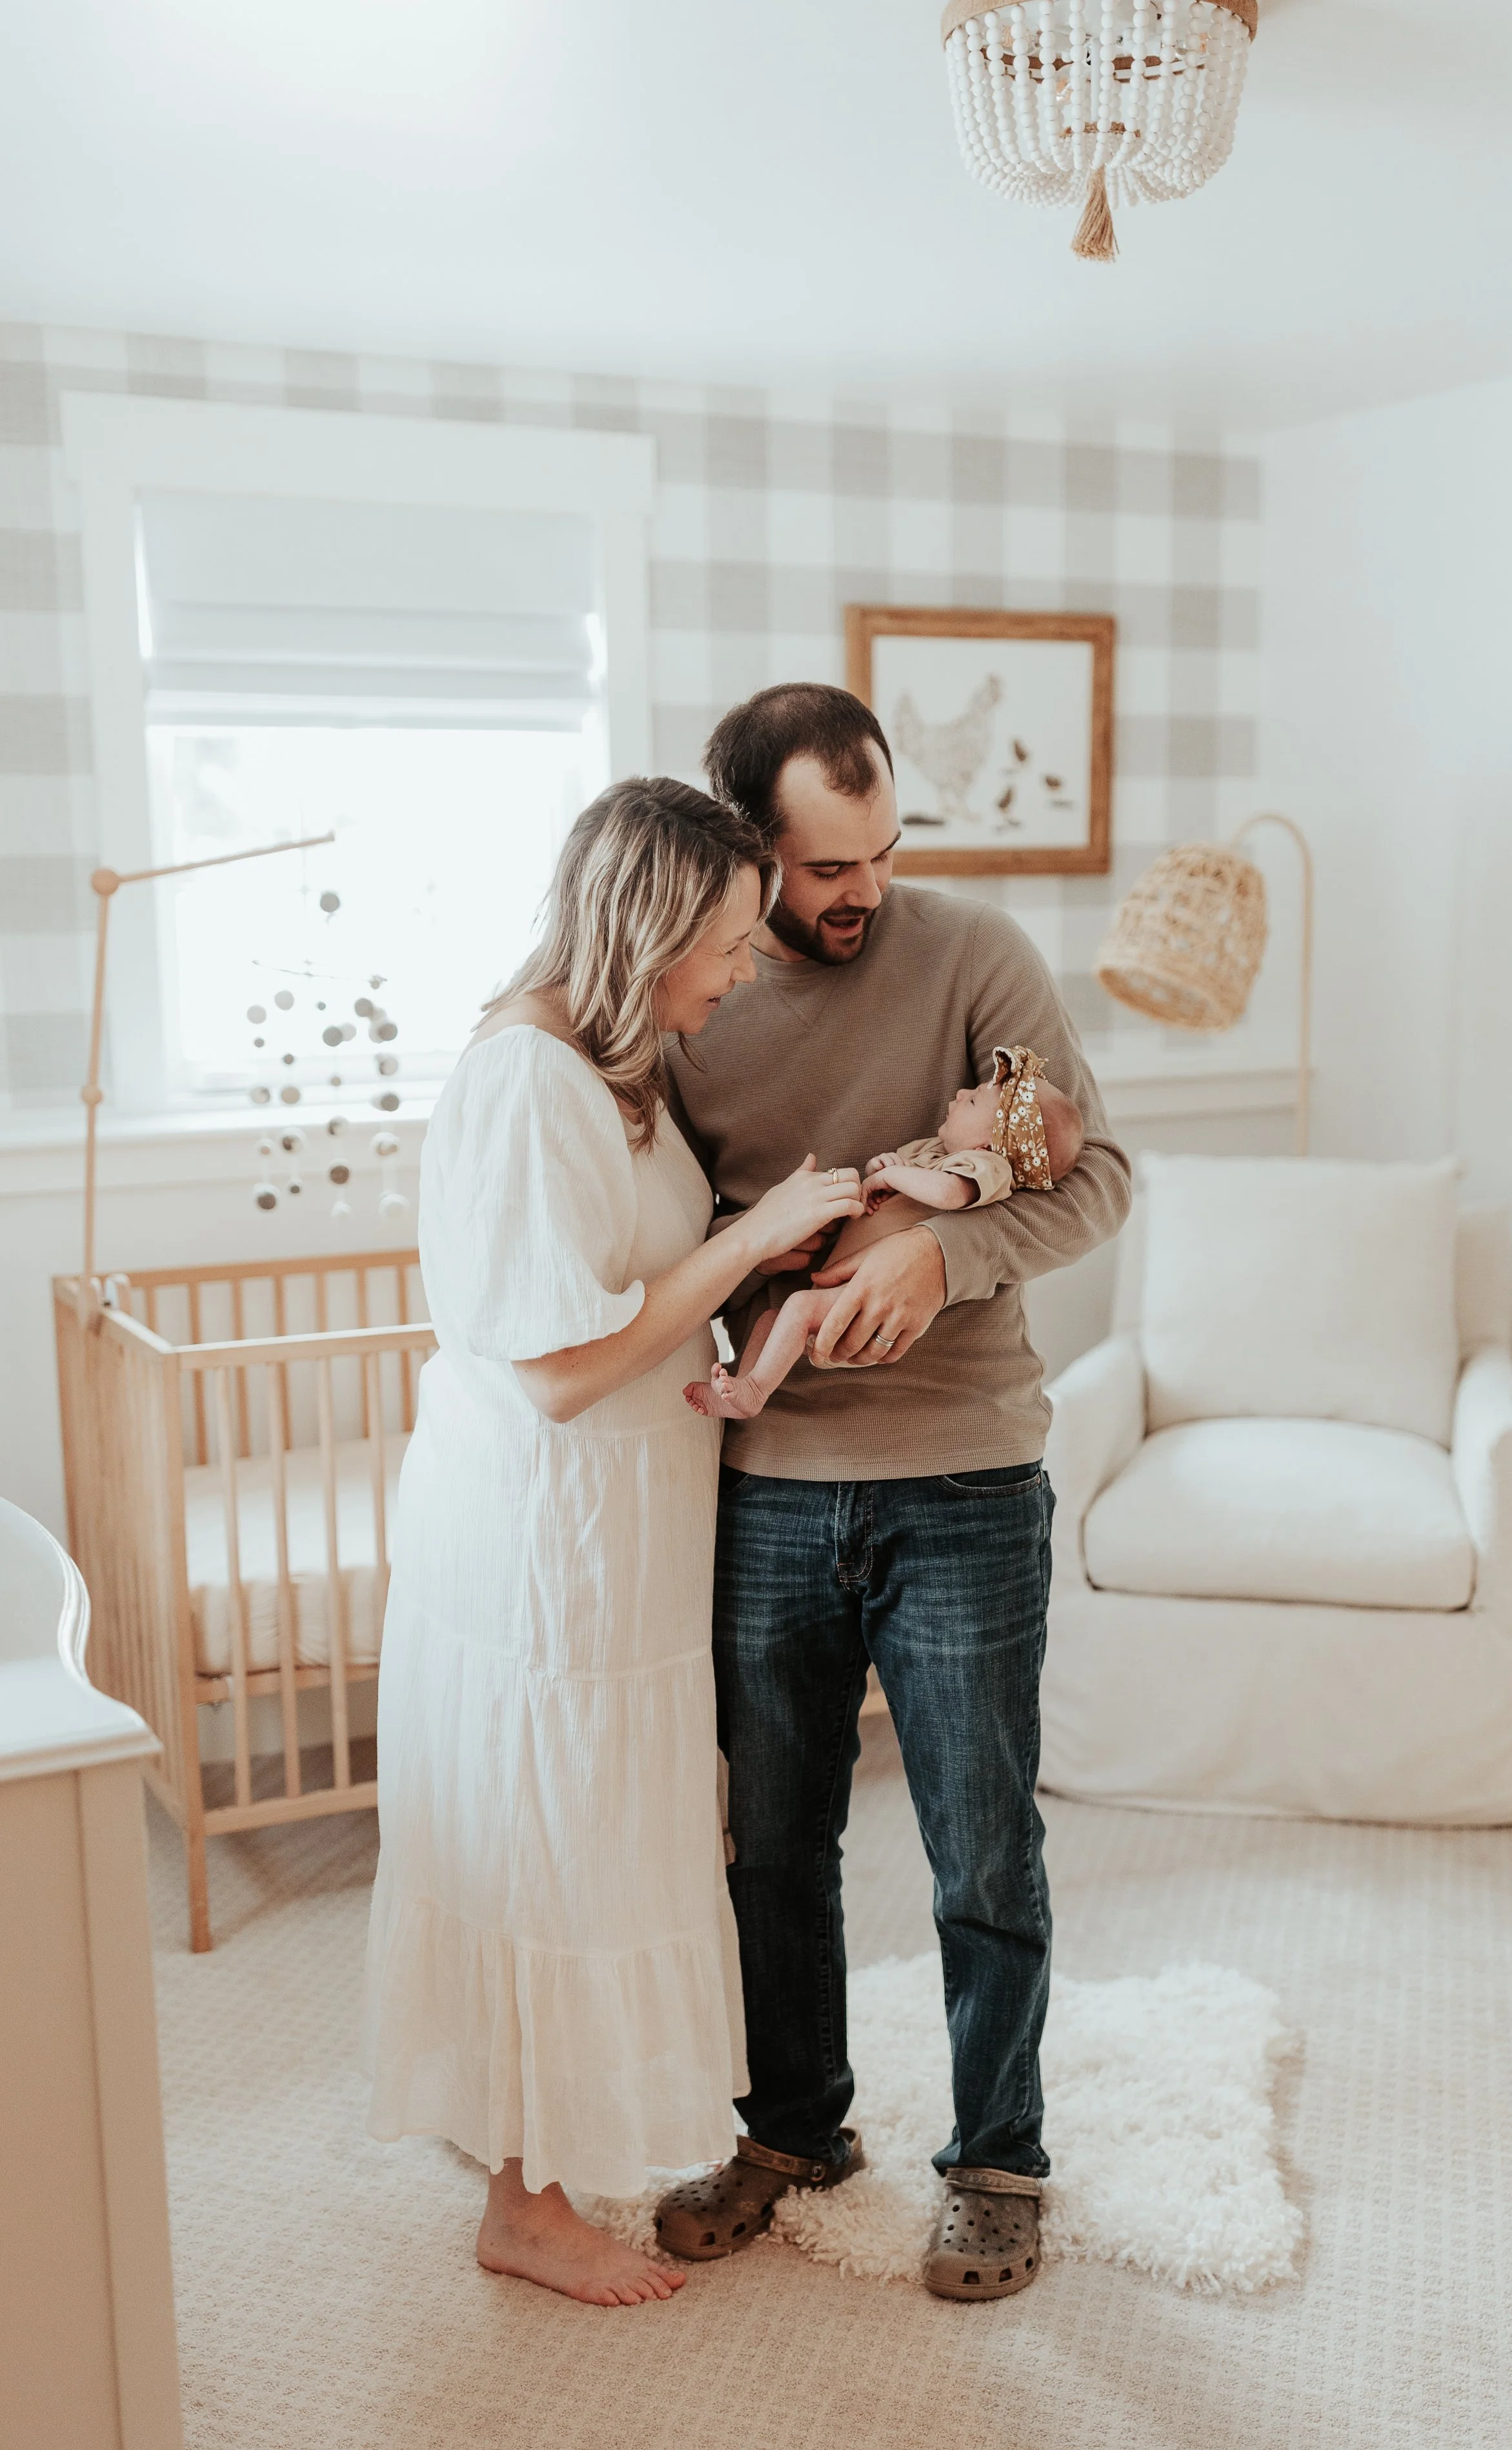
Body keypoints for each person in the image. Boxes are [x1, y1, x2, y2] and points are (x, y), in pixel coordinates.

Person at [653, 685, 1132, 2302]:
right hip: (768, 1483)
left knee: (981, 1848)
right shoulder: (693, 997)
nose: (864, 889)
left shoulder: (975, 951)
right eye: (823, 866)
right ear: (744, 846)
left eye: (882, 849)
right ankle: (793, 2128)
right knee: (773, 1844)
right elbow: (664, 1234)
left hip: (966, 1475)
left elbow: (1093, 1169)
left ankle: (998, 2159)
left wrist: (943, 1250)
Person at [362, 776, 866, 2309]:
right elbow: (561, 1368)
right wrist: (748, 1238)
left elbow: (622, 1292)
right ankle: (524, 2204)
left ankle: (537, 2148)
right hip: (543, 1540)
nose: (744, 966)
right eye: (726, 938)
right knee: (549, 1836)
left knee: (588, 1834)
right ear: (646, 927)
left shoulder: (615, 1068)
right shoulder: (529, 1080)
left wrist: (748, 1293)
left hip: (618, 1531)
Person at [683, 1045, 1086, 1423]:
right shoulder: (938, 1152)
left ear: (989, 1144)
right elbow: (904, 1184)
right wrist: (884, 1169)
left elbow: (947, 1193)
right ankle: (744, 1380)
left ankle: (755, 1390)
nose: (962, 1092)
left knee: (797, 1309)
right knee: (773, 1318)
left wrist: (893, 1176)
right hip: (848, 1282)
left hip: (870, 1296)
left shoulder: (987, 1167)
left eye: (974, 1101)